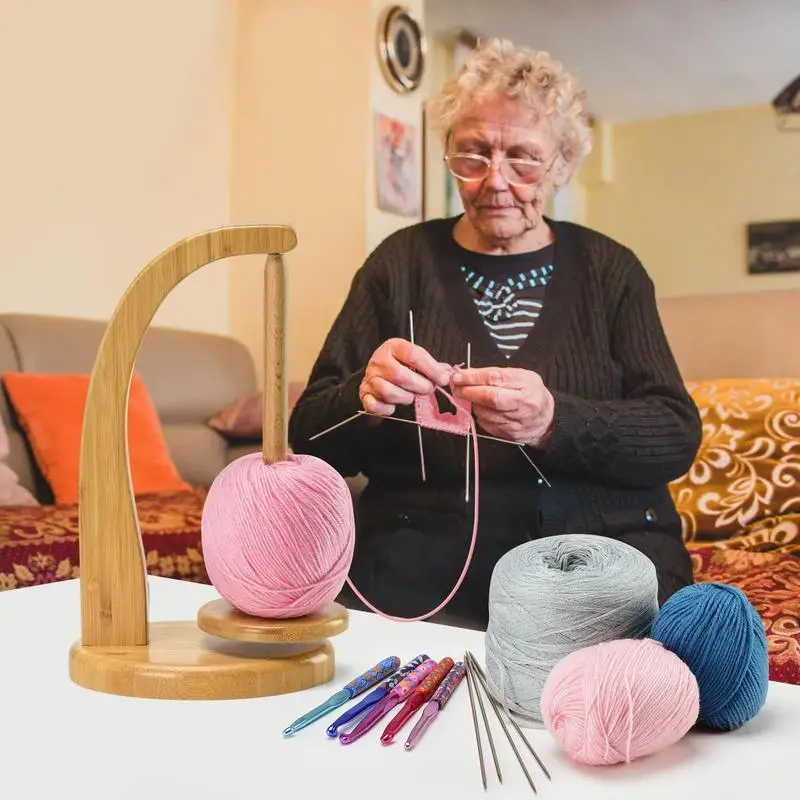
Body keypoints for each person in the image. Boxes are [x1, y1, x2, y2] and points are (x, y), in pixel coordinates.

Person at [288, 38, 702, 629]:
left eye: (523, 159)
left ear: (562, 163)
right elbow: (307, 436)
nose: (495, 181)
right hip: (423, 567)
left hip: (600, 553)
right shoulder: (398, 263)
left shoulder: (613, 270)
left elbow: (675, 432)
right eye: (472, 155)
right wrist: (365, 396)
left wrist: (554, 421)